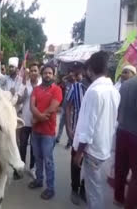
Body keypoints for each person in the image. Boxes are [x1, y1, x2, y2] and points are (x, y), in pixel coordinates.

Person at [73, 51, 120, 209]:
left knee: (93, 191)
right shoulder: (113, 91)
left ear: (90, 69)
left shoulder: (94, 92)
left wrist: (79, 153)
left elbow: (88, 128)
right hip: (103, 148)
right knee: (96, 187)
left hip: (92, 150)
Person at [28, 64, 63, 200]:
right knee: (38, 158)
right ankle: (38, 180)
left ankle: (50, 188)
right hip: (36, 132)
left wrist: (38, 119)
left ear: (53, 75)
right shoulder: (36, 89)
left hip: (48, 132)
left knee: (48, 160)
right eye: (45, 73)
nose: (47, 75)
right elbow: (32, 105)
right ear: (41, 75)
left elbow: (53, 107)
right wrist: (39, 117)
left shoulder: (57, 89)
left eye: (50, 73)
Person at [64, 64, 89, 205]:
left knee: (87, 163)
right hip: (77, 133)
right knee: (75, 161)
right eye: (80, 73)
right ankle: (74, 188)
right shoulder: (75, 87)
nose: (83, 75)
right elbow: (68, 107)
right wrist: (68, 127)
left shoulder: (96, 89)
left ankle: (84, 189)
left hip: (92, 135)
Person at [114, 76, 137, 209]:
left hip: (122, 130)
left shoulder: (126, 84)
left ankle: (118, 197)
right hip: (135, 134)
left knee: (121, 167)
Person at [18, 64, 42, 179]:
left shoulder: (42, 85)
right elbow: (18, 101)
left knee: (34, 146)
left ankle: (32, 168)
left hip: (36, 122)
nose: (33, 72)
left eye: (35, 70)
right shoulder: (25, 85)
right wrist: (23, 96)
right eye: (31, 70)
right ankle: (21, 166)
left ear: (38, 72)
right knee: (22, 145)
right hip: (24, 120)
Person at [56, 70, 76, 146]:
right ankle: (58, 138)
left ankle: (69, 140)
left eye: (73, 76)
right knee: (61, 124)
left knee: (70, 125)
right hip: (64, 107)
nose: (72, 77)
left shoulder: (76, 85)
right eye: (71, 76)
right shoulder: (67, 83)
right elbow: (63, 79)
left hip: (71, 110)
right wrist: (68, 75)